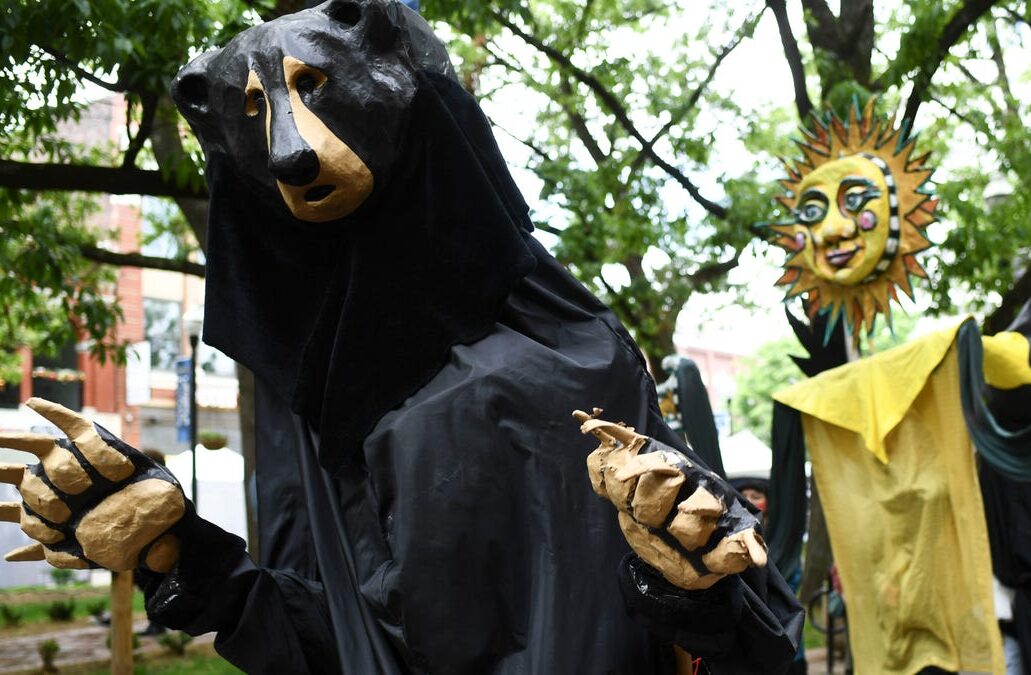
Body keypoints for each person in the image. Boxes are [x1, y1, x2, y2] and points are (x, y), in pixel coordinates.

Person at [1, 2, 802, 672]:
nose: (288, 148)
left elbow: (730, 619)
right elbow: (345, 643)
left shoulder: (573, 350)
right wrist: (187, 556)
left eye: (312, 86)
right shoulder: (316, 402)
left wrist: (691, 583)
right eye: (255, 111)